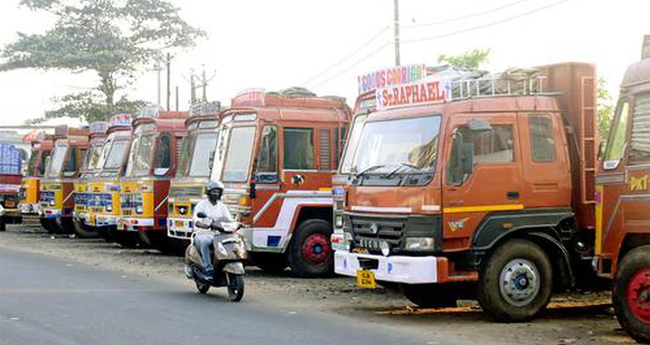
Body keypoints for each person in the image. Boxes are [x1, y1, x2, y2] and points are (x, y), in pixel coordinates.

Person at [192, 180, 236, 281]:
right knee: (205, 242)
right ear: (208, 192)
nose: (216, 194)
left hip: (218, 234)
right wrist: (205, 225)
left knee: (232, 242)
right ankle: (208, 269)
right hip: (203, 233)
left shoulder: (222, 206)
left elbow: (229, 219)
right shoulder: (201, 205)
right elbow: (196, 220)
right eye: (213, 191)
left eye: (218, 192)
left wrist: (236, 224)